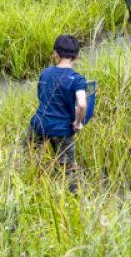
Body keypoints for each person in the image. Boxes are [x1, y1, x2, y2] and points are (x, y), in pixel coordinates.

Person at [26, 34, 88, 193]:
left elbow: (42, 96)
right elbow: (81, 104)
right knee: (68, 169)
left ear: (55, 54)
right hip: (62, 130)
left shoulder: (45, 72)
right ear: (77, 55)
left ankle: (29, 184)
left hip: (39, 124)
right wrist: (78, 122)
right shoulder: (77, 79)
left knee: (29, 155)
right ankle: (73, 197)